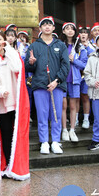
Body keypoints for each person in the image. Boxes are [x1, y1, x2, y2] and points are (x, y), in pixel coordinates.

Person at [0, 30, 30, 180]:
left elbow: (17, 68)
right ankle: (8, 164)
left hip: (15, 102)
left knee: (17, 134)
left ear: (4, 40)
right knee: (6, 134)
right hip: (0, 104)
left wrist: (9, 49)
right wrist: (0, 91)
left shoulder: (13, 55)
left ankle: (17, 166)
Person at [25, 16, 69, 155]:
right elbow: (27, 67)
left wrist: (57, 81)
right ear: (40, 28)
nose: (47, 27)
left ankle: (55, 141)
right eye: (44, 25)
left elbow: (65, 65)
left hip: (56, 85)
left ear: (53, 28)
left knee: (55, 114)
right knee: (42, 114)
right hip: (39, 85)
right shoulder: (34, 46)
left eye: (49, 24)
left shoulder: (60, 45)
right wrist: (31, 63)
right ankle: (44, 141)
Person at [60, 23, 87, 143]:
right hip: (62, 79)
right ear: (64, 31)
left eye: (72, 29)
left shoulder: (80, 47)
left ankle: (72, 129)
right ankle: (64, 130)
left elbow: (85, 65)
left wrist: (74, 60)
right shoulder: (60, 45)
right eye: (67, 29)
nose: (70, 31)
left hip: (75, 80)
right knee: (63, 106)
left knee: (73, 106)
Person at [78, 25, 94, 129]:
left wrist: (87, 46)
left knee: (85, 96)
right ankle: (74, 120)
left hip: (86, 75)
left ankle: (86, 119)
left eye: (85, 32)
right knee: (74, 97)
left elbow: (93, 57)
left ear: (88, 35)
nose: (83, 34)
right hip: (75, 74)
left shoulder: (92, 46)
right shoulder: (76, 45)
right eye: (81, 32)